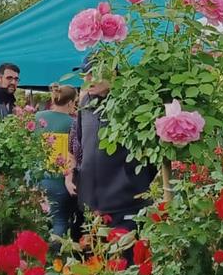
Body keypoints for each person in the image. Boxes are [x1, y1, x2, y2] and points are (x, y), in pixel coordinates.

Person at [66, 66, 156, 235]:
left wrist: (134, 181)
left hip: (125, 202)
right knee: (93, 258)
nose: (87, 80)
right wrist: (71, 173)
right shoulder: (85, 104)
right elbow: (78, 144)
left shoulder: (132, 101)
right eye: (85, 75)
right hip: (90, 203)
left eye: (94, 73)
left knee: (125, 258)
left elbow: (152, 151)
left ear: (113, 73)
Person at [35, 84, 82, 243]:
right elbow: (74, 153)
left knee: (40, 220)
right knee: (60, 220)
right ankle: (56, 257)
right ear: (70, 103)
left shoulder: (38, 117)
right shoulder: (73, 123)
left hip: (38, 177)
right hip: (61, 180)